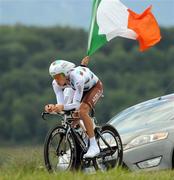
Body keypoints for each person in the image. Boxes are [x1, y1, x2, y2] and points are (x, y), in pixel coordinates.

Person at [45, 56, 103, 158]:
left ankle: (94, 145)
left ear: (65, 74)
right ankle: (85, 137)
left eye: (58, 77)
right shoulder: (56, 83)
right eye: (53, 77)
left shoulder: (77, 79)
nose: (56, 80)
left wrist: (61, 107)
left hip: (94, 87)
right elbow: (62, 106)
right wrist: (53, 108)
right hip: (78, 89)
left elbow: (75, 105)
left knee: (82, 111)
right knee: (72, 118)